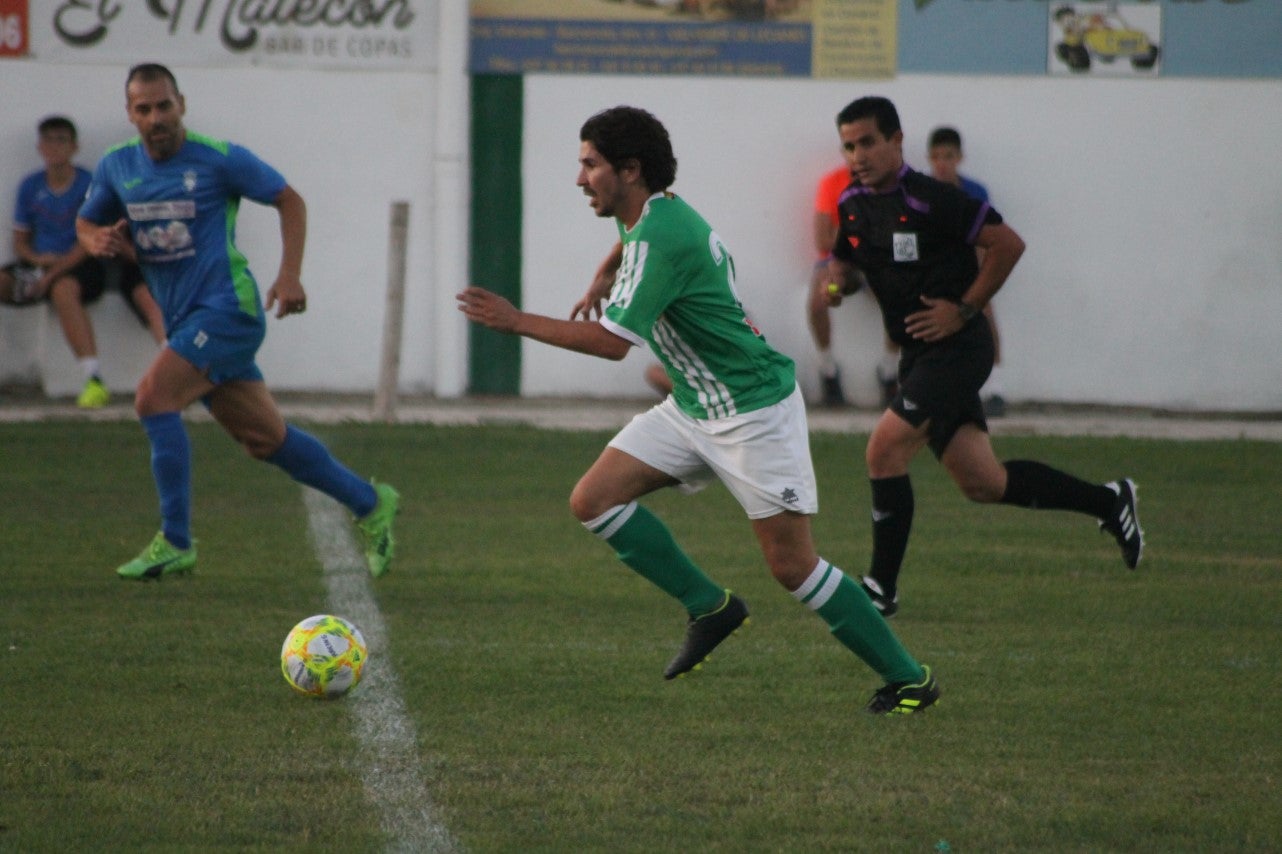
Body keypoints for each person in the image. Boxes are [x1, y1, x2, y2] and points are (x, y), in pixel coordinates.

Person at [458, 105, 939, 715]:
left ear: (630, 170)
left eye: (590, 165)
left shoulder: (661, 236)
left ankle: (910, 680)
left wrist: (515, 320)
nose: (580, 179)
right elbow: (631, 245)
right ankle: (710, 607)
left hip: (752, 411)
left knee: (793, 566)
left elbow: (611, 344)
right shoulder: (654, 213)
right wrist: (604, 274)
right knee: (593, 500)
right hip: (694, 404)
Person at [76, 63, 399, 581]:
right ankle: (372, 502)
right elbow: (87, 220)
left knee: (153, 398)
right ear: (131, 113)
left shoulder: (218, 158)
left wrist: (289, 275)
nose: (156, 117)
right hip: (186, 319)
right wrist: (95, 240)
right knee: (265, 439)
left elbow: (289, 200)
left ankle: (175, 541)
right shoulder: (117, 166)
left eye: (164, 105)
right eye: (144, 108)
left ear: (181, 104)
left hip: (229, 310)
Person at [824, 96, 1144, 617]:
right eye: (848, 146)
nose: (858, 155)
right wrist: (839, 285)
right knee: (983, 483)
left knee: (883, 450)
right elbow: (846, 265)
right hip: (918, 357)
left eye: (867, 142)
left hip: (959, 350)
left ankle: (881, 589)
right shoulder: (852, 205)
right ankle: (1109, 502)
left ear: (896, 141)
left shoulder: (933, 198)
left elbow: (1008, 245)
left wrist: (965, 309)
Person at [0, 115, 165, 408]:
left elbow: (93, 239)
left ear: (74, 146)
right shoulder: (31, 186)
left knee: (63, 289)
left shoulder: (89, 183)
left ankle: (94, 379)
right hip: (44, 264)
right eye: (48, 140)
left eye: (61, 140)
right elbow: (20, 242)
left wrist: (50, 275)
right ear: (39, 146)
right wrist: (38, 260)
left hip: (84, 263)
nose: (54, 147)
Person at [927, 126, 1006, 417]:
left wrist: (981, 277)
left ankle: (995, 387)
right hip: (933, 272)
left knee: (984, 312)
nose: (942, 164)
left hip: (968, 268)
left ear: (959, 158)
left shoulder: (975, 193)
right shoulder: (922, 192)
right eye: (936, 157)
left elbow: (989, 238)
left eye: (948, 156)